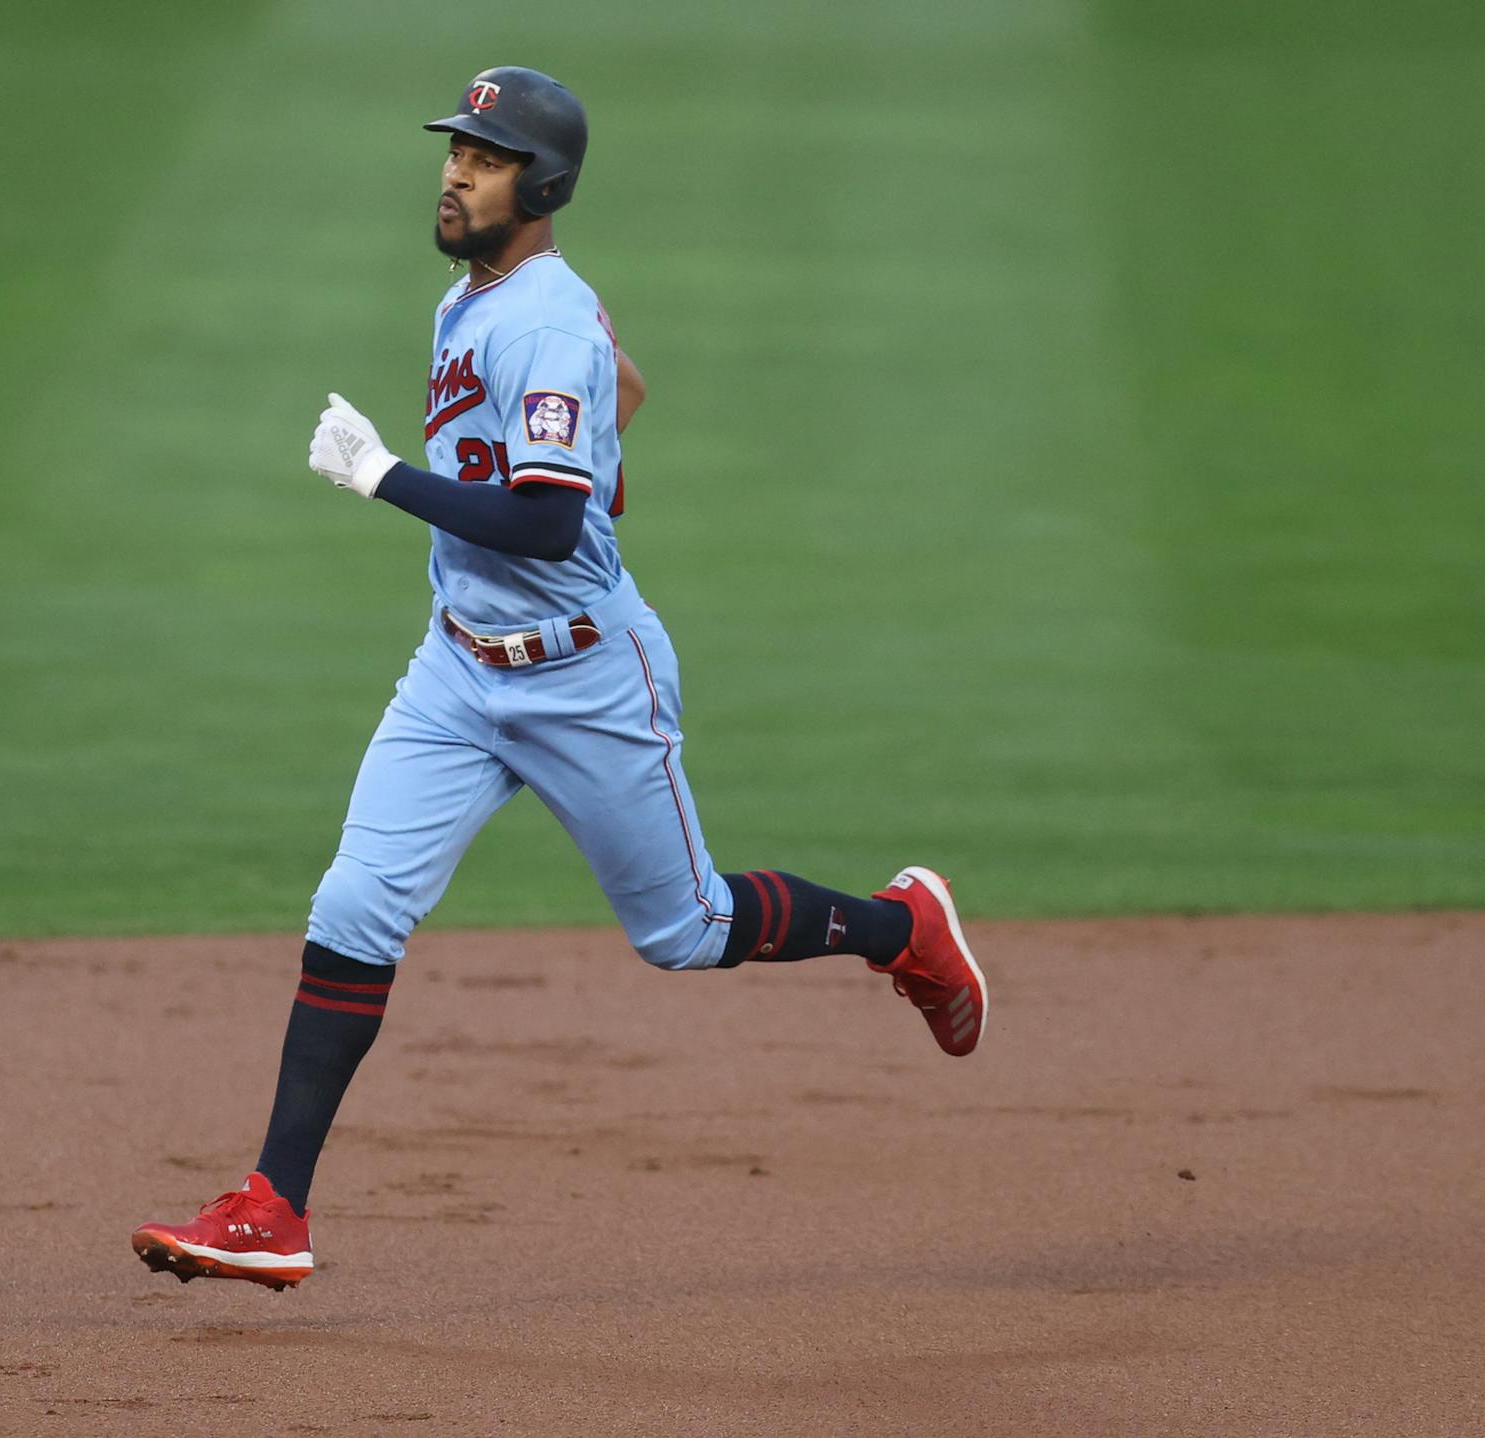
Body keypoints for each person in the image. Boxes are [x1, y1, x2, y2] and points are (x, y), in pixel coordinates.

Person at [131, 67, 987, 1291]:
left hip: (586, 676)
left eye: (484, 157)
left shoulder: (534, 316)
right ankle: (274, 1205)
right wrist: (598, 421)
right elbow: (617, 385)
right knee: (356, 904)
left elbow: (540, 525)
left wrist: (381, 475)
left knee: (684, 931)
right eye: (455, 150)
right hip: (456, 669)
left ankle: (905, 928)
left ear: (546, 184)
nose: (455, 171)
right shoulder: (484, 296)